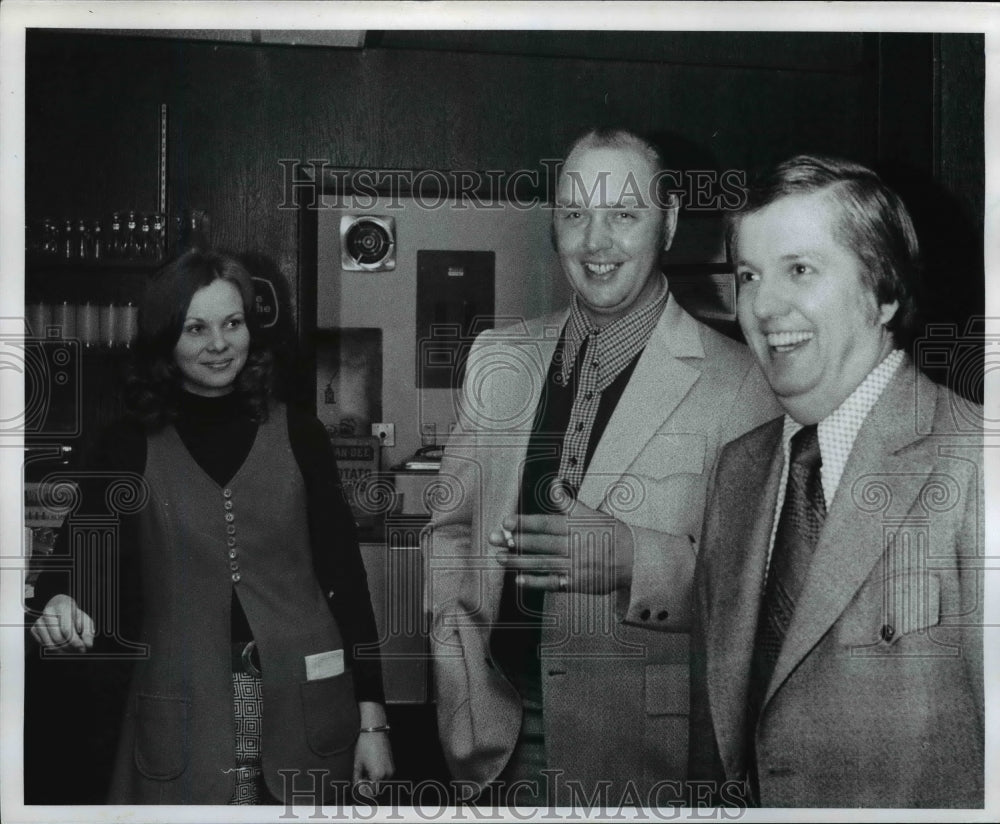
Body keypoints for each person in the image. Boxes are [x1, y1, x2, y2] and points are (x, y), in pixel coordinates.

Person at [424, 127, 779, 806]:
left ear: (669, 223)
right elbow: (449, 533)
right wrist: (458, 687)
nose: (596, 242)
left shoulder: (744, 386)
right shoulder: (499, 360)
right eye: (576, 214)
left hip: (645, 764)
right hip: (493, 748)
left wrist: (632, 562)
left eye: (624, 215)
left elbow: (763, 596)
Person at [30, 249, 394, 804]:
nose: (219, 344)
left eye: (233, 323)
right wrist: (59, 603)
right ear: (164, 338)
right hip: (179, 713)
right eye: (195, 328)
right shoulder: (126, 443)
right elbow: (75, 566)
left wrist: (374, 720)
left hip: (307, 704)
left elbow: (347, 581)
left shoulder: (302, 435)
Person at [688, 155, 984, 808]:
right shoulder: (738, 472)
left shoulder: (975, 463)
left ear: (883, 292)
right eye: (747, 275)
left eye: (800, 270)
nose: (763, 306)